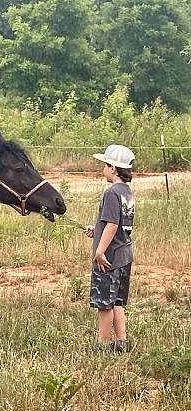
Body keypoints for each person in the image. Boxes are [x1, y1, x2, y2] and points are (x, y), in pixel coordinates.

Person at [85, 144, 136, 353]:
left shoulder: (111, 193)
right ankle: (121, 343)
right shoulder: (127, 193)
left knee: (104, 304)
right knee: (117, 301)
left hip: (109, 258)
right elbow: (115, 223)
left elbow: (113, 224)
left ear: (113, 168)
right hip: (124, 255)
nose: (103, 169)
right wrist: (96, 228)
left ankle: (103, 346)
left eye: (105, 165)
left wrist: (99, 251)